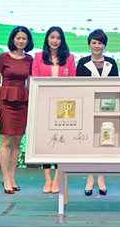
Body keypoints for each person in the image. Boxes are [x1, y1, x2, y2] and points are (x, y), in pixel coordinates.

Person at [32, 26, 76, 193]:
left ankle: (57, 178)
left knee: (60, 142)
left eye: (58, 38)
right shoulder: (38, 57)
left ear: (62, 40)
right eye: (52, 37)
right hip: (44, 105)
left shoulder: (69, 58)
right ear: (47, 39)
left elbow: (73, 81)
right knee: (46, 141)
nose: (55, 41)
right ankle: (47, 179)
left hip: (64, 106)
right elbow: (35, 80)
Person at [76, 29, 119, 196]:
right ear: (89, 44)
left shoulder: (111, 63)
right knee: (89, 143)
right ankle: (90, 178)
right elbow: (78, 87)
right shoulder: (82, 63)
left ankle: (101, 177)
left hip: (108, 108)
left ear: (104, 45)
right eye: (94, 42)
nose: (97, 45)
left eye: (100, 42)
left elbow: (116, 87)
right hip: (87, 107)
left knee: (105, 142)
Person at [0, 26, 34, 194]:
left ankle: (12, 176)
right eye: (18, 38)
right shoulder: (3, 57)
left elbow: (30, 83)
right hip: (6, 101)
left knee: (17, 141)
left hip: (22, 101)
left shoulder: (29, 59)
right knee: (5, 141)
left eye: (24, 38)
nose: (21, 41)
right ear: (13, 39)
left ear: (28, 41)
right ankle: (5, 178)